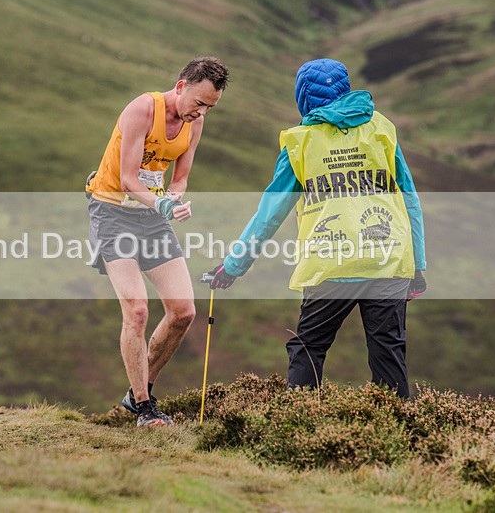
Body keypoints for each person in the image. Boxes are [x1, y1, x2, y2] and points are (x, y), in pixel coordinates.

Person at [208, 58, 426, 399]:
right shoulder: (381, 128)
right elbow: (409, 198)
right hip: (388, 259)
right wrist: (418, 265)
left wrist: (234, 265)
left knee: (308, 348)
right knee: (388, 352)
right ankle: (400, 427)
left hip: (330, 262)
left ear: (303, 96)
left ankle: (300, 420)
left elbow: (269, 215)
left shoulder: (301, 142)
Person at [86, 56, 229, 426]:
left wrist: (174, 199)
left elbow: (180, 178)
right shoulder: (142, 110)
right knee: (136, 311)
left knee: (184, 312)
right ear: (181, 87)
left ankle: (139, 391)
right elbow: (129, 179)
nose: (201, 112)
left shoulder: (195, 123)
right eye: (199, 103)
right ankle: (144, 407)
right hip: (113, 211)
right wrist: (163, 203)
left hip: (151, 216)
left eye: (210, 107)